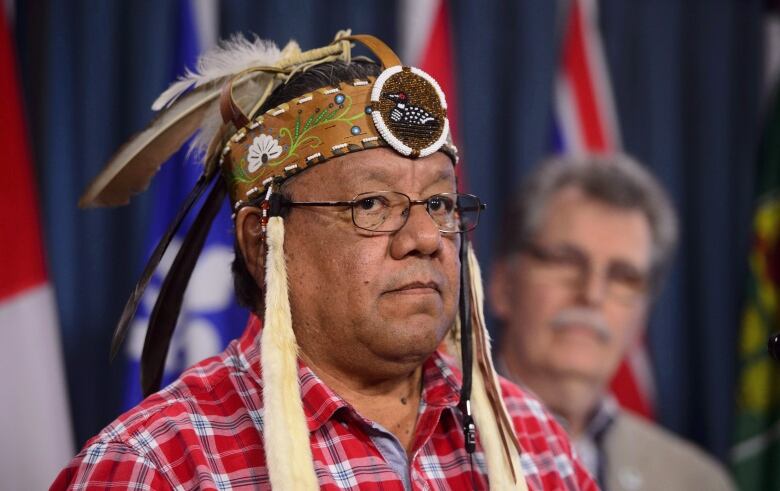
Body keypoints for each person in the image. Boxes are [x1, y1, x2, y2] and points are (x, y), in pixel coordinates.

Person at [52, 33, 596, 490]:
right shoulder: (160, 466)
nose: (427, 237)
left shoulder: (530, 440)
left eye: (438, 203)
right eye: (370, 205)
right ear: (262, 242)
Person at [489, 153, 735, 491]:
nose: (591, 294)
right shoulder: (431, 450)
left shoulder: (696, 480)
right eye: (566, 261)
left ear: (644, 311)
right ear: (503, 284)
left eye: (623, 277)